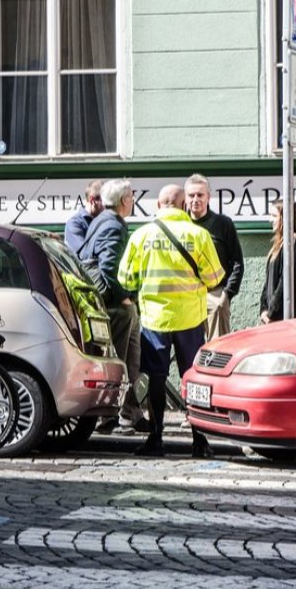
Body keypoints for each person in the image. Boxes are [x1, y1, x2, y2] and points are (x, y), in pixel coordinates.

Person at [118, 184, 225, 458]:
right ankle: (199, 441)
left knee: (156, 379)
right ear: (183, 205)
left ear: (158, 205)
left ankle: (156, 438)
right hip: (190, 318)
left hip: (155, 319)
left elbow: (125, 279)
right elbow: (215, 279)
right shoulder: (199, 235)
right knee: (193, 378)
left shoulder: (141, 236)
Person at [77, 179, 144, 435]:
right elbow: (109, 269)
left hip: (117, 305)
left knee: (129, 362)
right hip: (116, 307)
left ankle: (131, 414)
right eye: (132, 197)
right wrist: (124, 297)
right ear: (125, 201)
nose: (134, 201)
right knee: (118, 361)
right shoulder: (113, 226)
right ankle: (109, 417)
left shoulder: (101, 220)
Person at [184, 174, 243, 340]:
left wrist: (226, 294)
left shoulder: (223, 224)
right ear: (185, 198)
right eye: (191, 195)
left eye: (200, 195)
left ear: (208, 197)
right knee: (189, 351)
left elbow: (237, 261)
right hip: (186, 296)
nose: (196, 199)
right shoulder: (180, 226)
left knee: (218, 350)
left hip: (215, 294)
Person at [259, 200, 296, 324]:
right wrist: (263, 309)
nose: (270, 220)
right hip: (275, 316)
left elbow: (287, 280)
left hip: (290, 317)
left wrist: (271, 312)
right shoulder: (278, 245)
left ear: (285, 218)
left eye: (274, 216)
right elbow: (268, 283)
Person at [64, 179, 104, 254]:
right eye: (105, 201)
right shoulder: (74, 224)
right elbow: (84, 254)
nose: (108, 205)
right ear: (93, 200)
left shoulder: (103, 221)